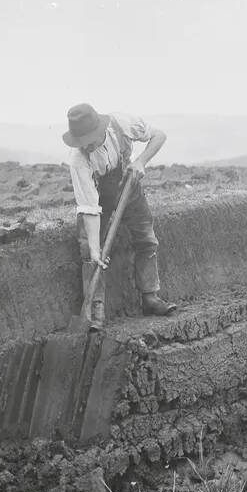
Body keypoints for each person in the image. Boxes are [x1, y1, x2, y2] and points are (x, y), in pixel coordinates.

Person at [62, 102, 178, 328]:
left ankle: (150, 297)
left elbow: (159, 136)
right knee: (90, 251)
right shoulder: (78, 160)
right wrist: (96, 249)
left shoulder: (122, 124)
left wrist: (140, 162)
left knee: (146, 240)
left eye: (89, 140)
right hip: (99, 198)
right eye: (81, 143)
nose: (86, 146)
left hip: (129, 186)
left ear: (100, 130)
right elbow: (89, 208)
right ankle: (95, 311)